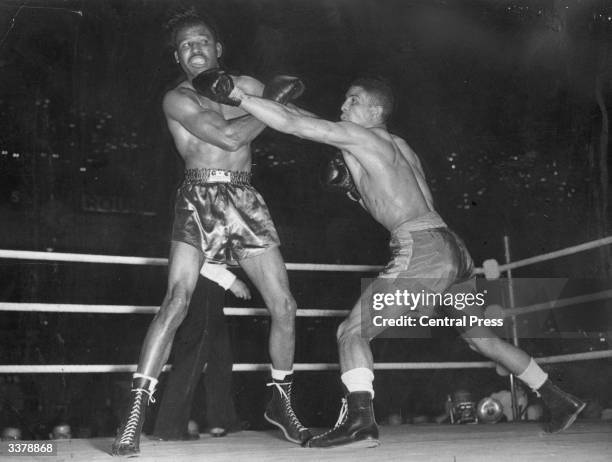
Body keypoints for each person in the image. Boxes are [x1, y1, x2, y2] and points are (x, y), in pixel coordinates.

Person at [205, 75, 586, 448]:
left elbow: (297, 126)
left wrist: (238, 95)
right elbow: (323, 131)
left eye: (352, 99)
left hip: (424, 252)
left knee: (351, 332)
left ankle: (360, 422)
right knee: (482, 340)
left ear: (375, 109)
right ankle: (556, 396)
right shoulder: (399, 145)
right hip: (455, 250)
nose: (343, 105)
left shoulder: (362, 136)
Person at [111, 8, 310, 457]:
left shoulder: (248, 86)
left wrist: (351, 147)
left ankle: (281, 402)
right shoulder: (177, 98)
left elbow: (296, 121)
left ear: (218, 49)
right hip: (198, 197)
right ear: (178, 58)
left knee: (285, 304)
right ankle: (134, 415)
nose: (194, 49)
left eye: (202, 41)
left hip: (246, 199)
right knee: (177, 300)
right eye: (185, 46)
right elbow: (229, 138)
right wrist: (271, 107)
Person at [152, 262, 249, 441]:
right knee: (194, 353)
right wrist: (230, 280)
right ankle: (170, 425)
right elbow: (196, 257)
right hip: (203, 282)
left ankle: (220, 420)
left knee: (220, 354)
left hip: (212, 284)